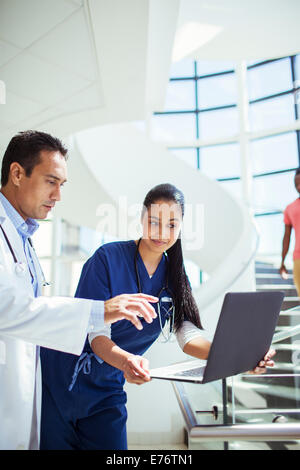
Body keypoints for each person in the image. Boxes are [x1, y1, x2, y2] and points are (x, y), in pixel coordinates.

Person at [40, 183, 275, 450]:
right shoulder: (107, 259)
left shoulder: (175, 276)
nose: (162, 233)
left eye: (172, 225)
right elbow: (96, 333)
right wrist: (127, 360)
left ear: (182, 226)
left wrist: (238, 355)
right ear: (141, 218)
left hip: (106, 389)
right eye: (154, 222)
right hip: (58, 381)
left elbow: (188, 337)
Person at [0, 130, 158, 450]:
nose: (58, 195)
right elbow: (7, 308)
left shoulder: (22, 238)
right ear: (17, 173)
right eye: (50, 181)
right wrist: (101, 310)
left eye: (62, 185)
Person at [279, 168, 300, 297]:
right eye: (296, 184)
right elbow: (286, 237)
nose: (299, 187)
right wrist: (282, 261)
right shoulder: (290, 208)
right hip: (298, 258)